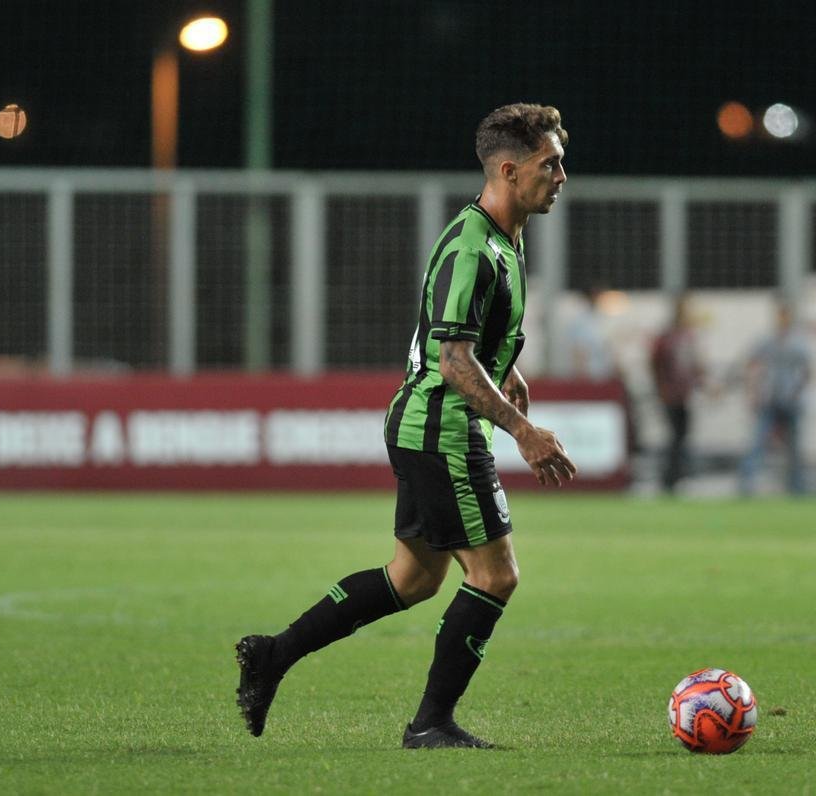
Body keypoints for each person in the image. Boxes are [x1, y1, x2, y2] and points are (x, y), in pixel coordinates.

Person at [235, 103, 577, 750]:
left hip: (429, 424)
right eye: (550, 164)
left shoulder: (503, 236)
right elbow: (451, 361)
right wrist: (522, 431)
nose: (562, 175)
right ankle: (429, 726)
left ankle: (271, 655)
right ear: (508, 169)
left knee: (413, 578)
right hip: (443, 429)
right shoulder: (474, 247)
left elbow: (465, 343)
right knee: (496, 576)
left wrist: (505, 368)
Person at [738, 300, 811, 496]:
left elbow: (808, 371)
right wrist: (753, 392)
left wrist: (798, 392)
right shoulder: (767, 342)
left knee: (794, 449)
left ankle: (797, 488)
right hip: (769, 400)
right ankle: (746, 485)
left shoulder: (798, 343)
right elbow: (750, 364)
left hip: (790, 401)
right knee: (757, 443)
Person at [650, 293, 704, 493]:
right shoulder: (668, 337)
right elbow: (655, 363)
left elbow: (695, 366)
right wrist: (660, 388)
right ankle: (670, 478)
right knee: (675, 436)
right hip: (670, 394)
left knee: (682, 436)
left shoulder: (687, 336)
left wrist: (703, 384)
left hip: (684, 394)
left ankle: (677, 476)